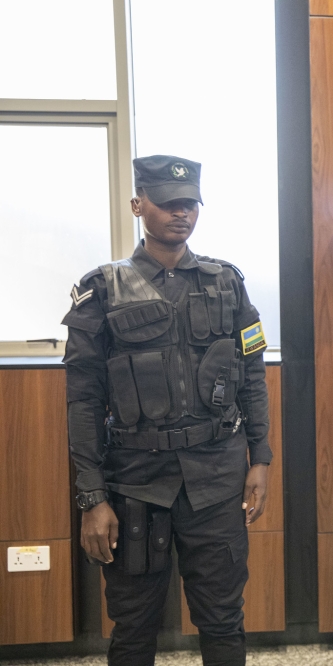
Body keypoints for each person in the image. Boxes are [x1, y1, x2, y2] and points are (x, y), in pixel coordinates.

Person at [62, 155, 271, 666]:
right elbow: (83, 401)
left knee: (224, 620)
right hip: (135, 482)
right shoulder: (101, 291)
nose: (182, 214)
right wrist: (91, 497)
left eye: (190, 205)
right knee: (133, 626)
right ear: (139, 205)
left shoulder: (228, 283)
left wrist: (260, 458)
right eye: (168, 203)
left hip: (217, 478)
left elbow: (253, 375)